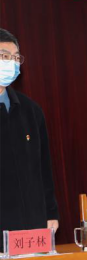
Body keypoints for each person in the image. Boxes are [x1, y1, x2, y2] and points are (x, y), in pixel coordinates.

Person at [0, 28, 59, 235]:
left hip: (31, 224)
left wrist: (51, 212)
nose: (11, 63)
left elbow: (43, 167)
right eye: (4, 56)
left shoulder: (31, 110)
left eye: (16, 58)